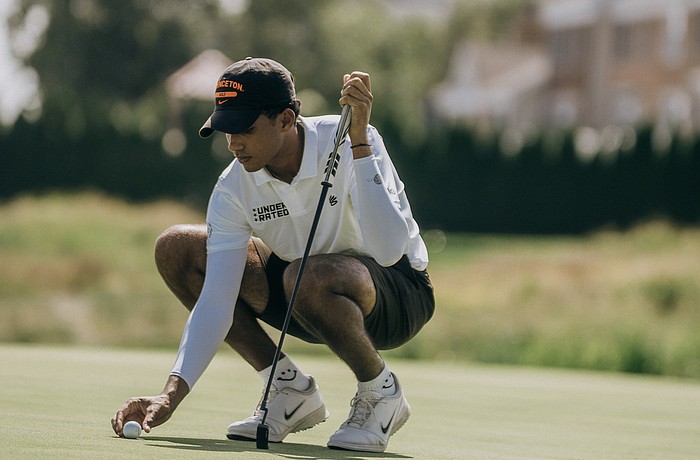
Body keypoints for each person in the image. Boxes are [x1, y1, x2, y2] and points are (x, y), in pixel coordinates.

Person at [111, 57, 434, 453]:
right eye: (225, 131)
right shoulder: (234, 187)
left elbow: (388, 250)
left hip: (398, 294)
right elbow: (216, 299)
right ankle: (287, 389)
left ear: (285, 119)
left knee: (307, 274)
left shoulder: (350, 137)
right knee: (178, 248)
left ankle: (380, 392)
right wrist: (170, 394)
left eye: (244, 130)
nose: (233, 144)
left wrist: (361, 143)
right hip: (301, 291)